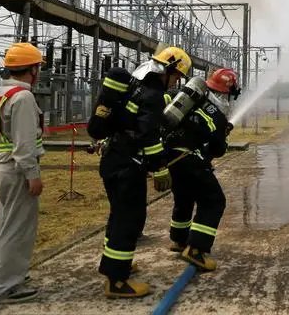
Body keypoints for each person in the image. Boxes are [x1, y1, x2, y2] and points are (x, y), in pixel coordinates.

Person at [95, 46, 191, 298]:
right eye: (177, 76)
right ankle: (116, 281)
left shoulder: (135, 86)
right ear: (168, 71)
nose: (177, 82)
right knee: (130, 219)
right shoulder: (152, 94)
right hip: (128, 166)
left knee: (118, 215)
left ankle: (116, 262)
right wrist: (159, 168)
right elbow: (148, 135)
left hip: (112, 159)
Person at [160, 67, 240, 271]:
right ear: (227, 92)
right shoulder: (219, 116)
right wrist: (223, 134)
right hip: (190, 160)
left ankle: (179, 240)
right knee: (214, 200)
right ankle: (196, 250)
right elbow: (218, 149)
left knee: (184, 197)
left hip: (170, 157)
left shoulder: (192, 102)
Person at [0, 43, 45, 304]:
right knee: (17, 229)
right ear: (32, 69)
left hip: (3, 166)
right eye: (38, 67)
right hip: (18, 170)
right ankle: (5, 287)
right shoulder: (23, 98)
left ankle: (2, 274)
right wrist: (32, 174)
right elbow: (24, 144)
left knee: (3, 226)